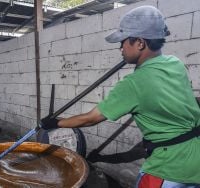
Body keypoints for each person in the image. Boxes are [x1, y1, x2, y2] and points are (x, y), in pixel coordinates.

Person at [40, 6, 200, 187]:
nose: (120, 48)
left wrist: (55, 123)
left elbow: (90, 119)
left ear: (139, 43)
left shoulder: (134, 83)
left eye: (123, 42)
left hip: (170, 167)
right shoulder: (175, 63)